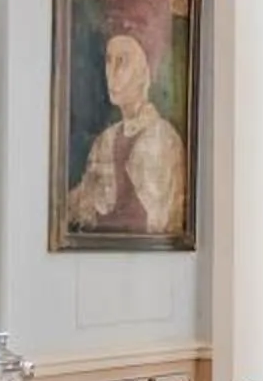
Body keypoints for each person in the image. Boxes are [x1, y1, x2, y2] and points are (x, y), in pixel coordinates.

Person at [68, 30, 185, 235]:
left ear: (145, 72)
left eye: (122, 61)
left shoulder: (164, 140)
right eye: (108, 61)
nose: (111, 73)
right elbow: (77, 208)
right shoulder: (104, 141)